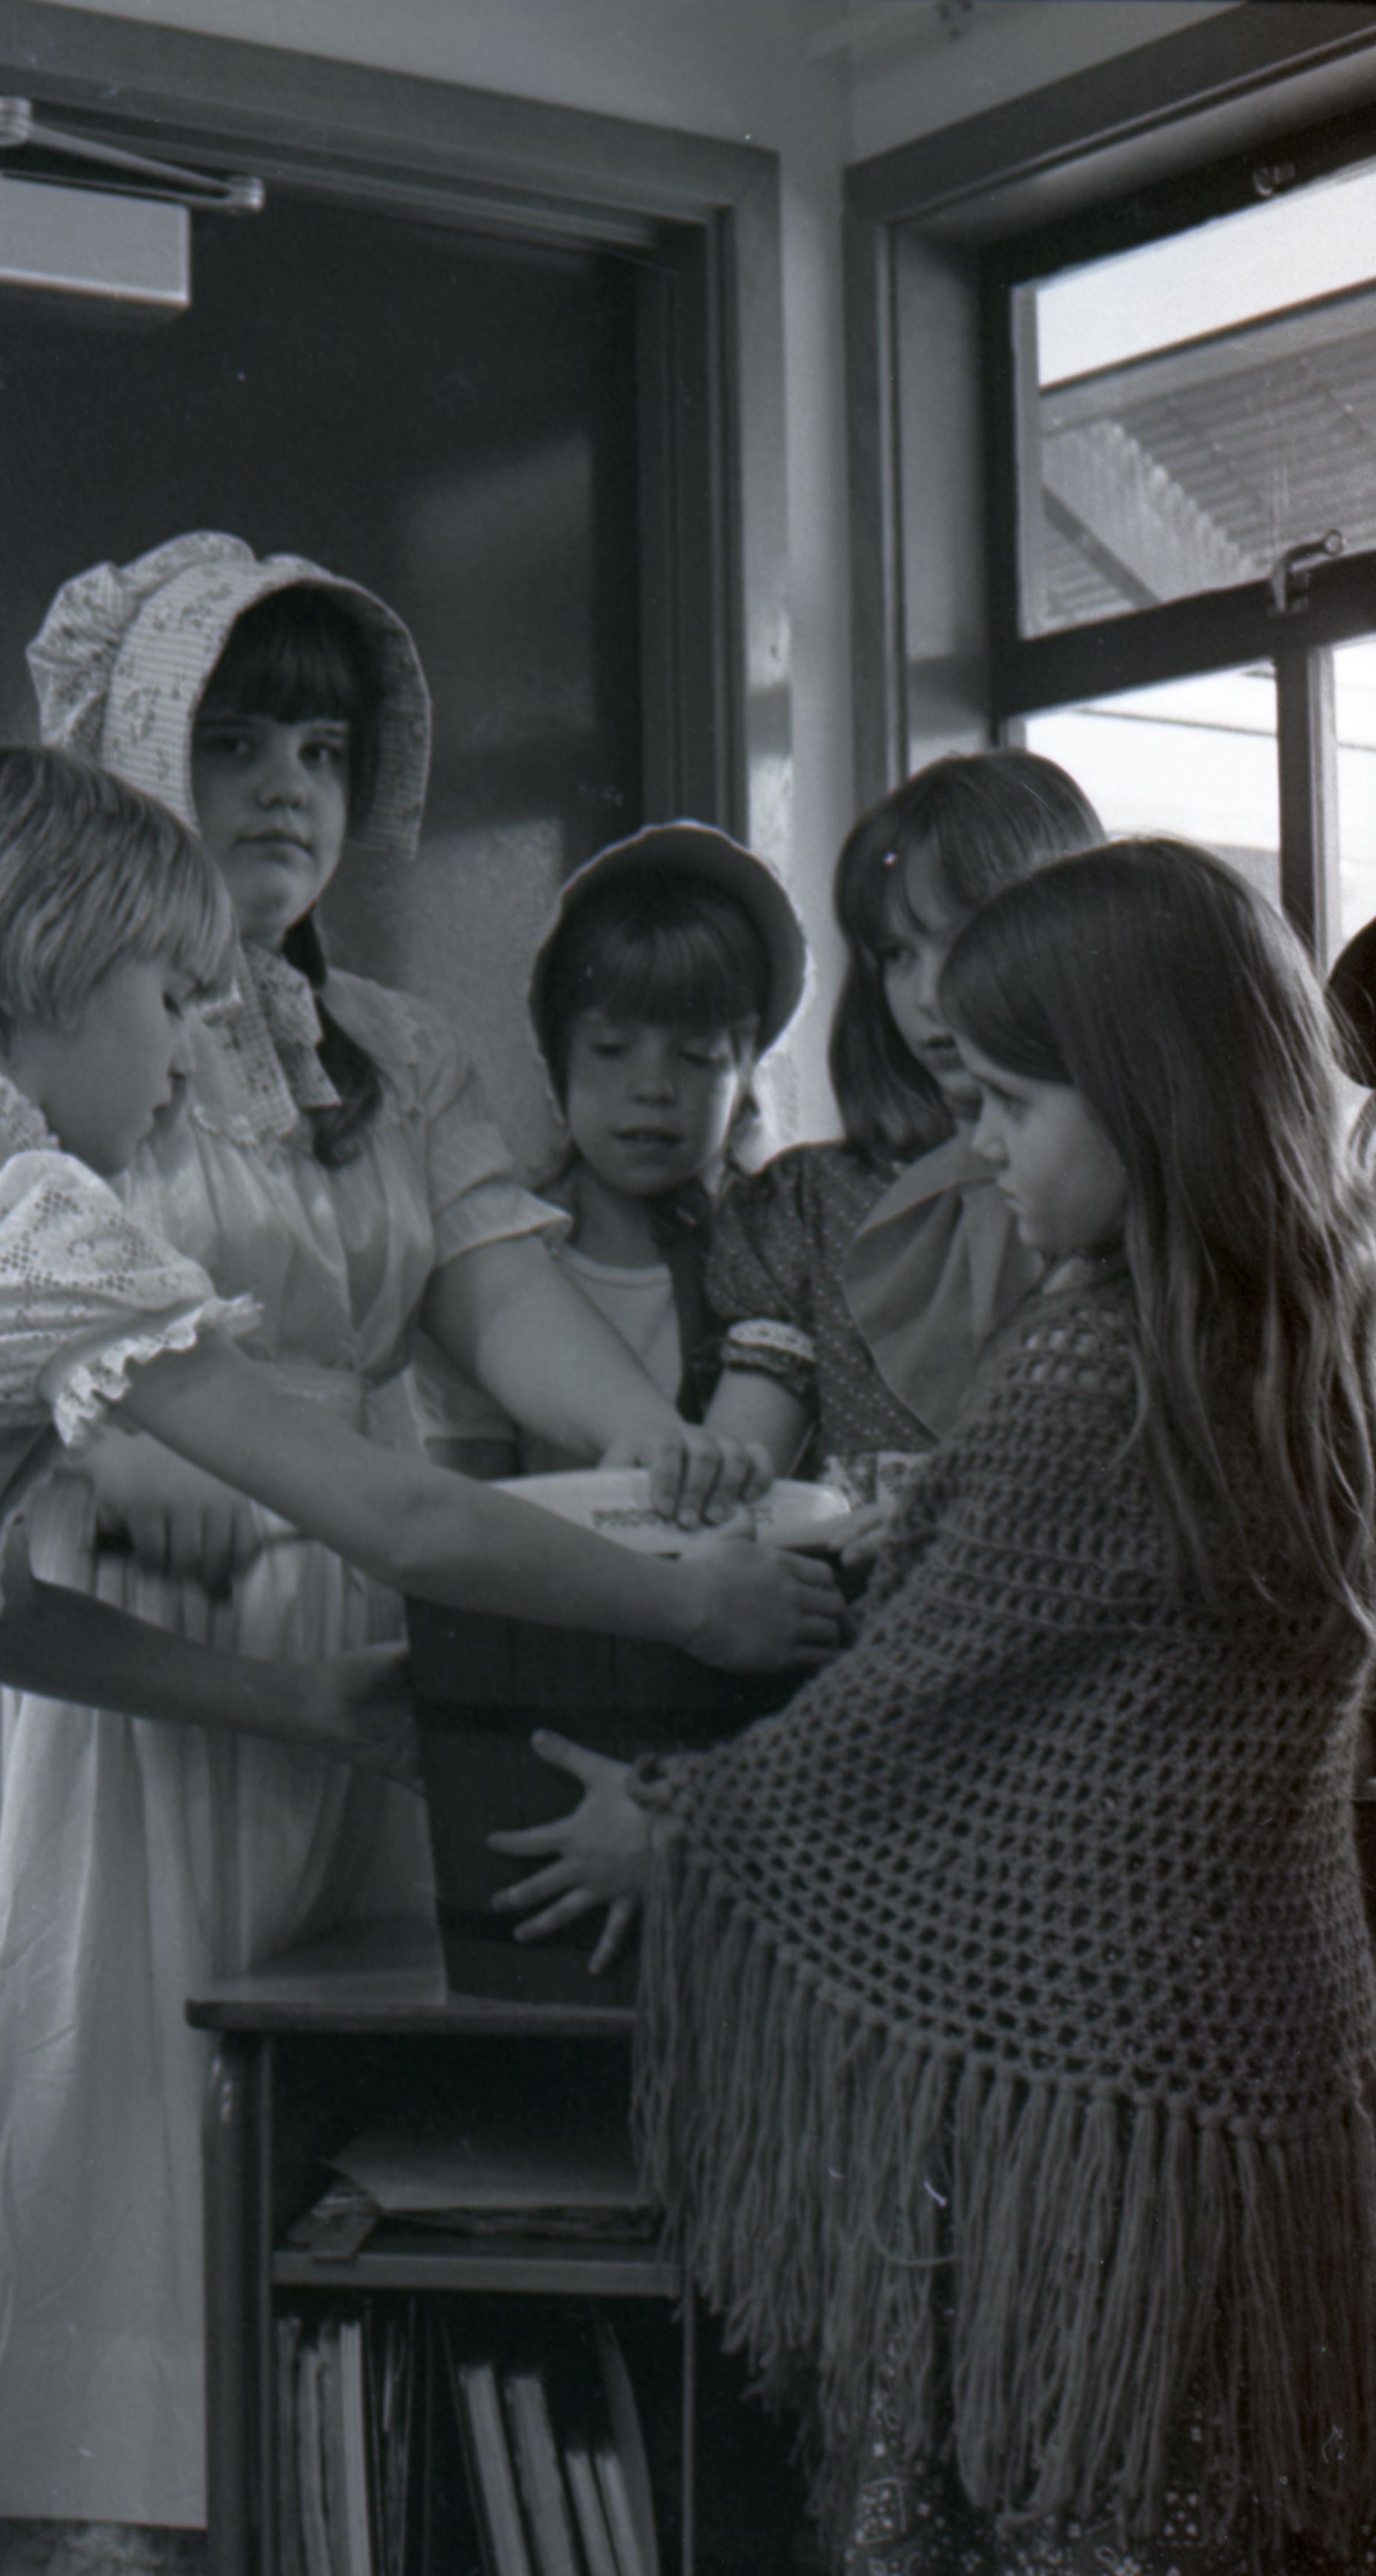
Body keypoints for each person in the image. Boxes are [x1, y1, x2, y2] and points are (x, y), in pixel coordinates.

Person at [0, 742, 828, 2576]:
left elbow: (2, 1611)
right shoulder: (9, 1222)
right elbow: (402, 1520)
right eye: (166, 996)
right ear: (51, 968)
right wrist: (694, 1606)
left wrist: (298, 1702)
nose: (182, 1053)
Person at [0, 533, 814, 2569]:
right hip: (159, 1650)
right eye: (236, 739)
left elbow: (499, 1302)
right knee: (133, 2155)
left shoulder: (398, 1052)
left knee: (360, 2149)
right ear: (135, 748)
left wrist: (654, 1442)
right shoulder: (50, 1054)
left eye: (324, 751)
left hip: (385, 1630)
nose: (286, 787)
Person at [495, 838, 1376, 2572]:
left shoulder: (1096, 1360)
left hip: (1076, 2101)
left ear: (1148, 1095)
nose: (979, 1151)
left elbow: (908, 1708)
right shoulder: (1320, 1330)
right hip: (1268, 2059)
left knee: (1046, 2491)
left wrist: (669, 1822)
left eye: (1008, 1106)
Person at [701, 749, 1101, 1502]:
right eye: (895, 955)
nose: (926, 994)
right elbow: (735, 1473)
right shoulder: (813, 1204)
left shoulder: (1127, 1199)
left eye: (964, 939)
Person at [420, 820, 808, 1477]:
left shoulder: (776, 1255)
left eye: (695, 1056)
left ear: (746, 1070)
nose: (652, 1087)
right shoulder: (495, 1265)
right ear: (557, 1064)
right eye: (611, 1049)